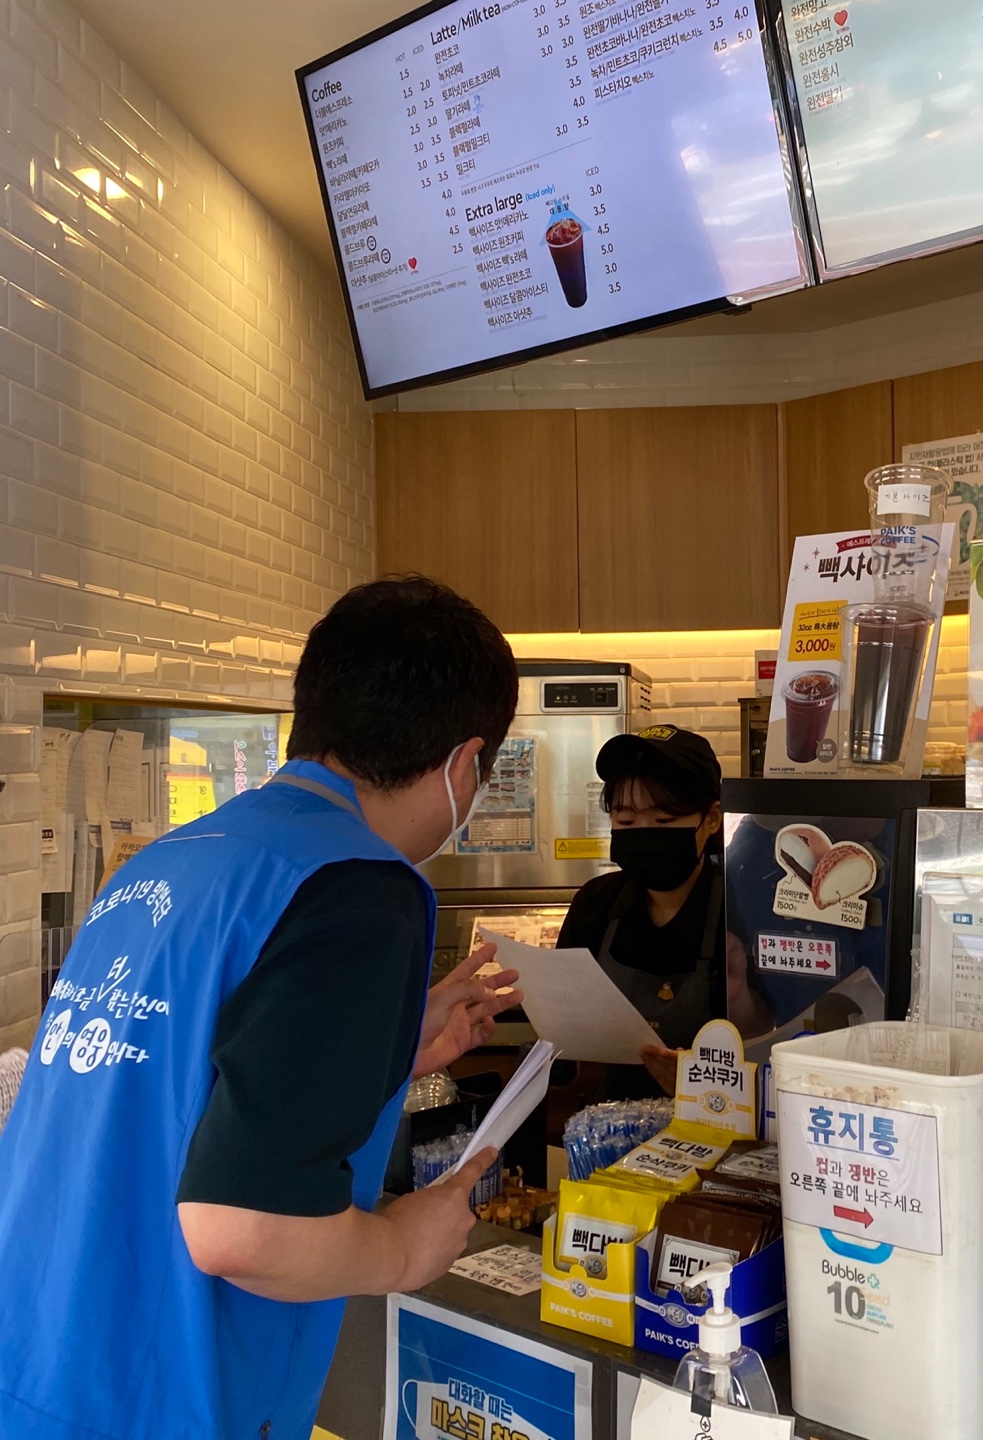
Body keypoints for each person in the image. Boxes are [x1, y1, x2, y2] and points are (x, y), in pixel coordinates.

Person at [0, 576, 526, 1440]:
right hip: (155, 1400)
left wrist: (385, 1046)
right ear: (464, 764)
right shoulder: (359, 886)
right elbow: (239, 1230)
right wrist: (400, 1246)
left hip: (33, 1363)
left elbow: (174, 1079)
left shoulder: (173, 858)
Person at [557, 725, 766, 1093]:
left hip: (718, 1124)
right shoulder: (595, 905)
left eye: (664, 821)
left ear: (712, 819)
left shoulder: (743, 912)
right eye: (626, 821)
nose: (643, 833)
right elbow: (566, 1031)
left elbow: (769, 1045)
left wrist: (740, 1001)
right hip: (608, 1129)